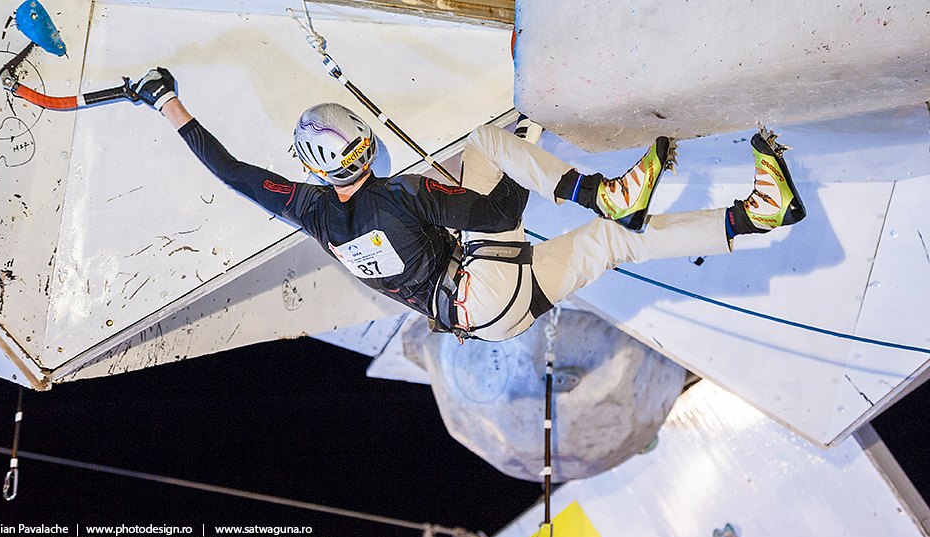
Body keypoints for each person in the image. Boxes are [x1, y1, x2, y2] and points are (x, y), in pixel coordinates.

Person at [132, 68, 806, 342]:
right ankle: (606, 194)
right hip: (478, 286)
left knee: (614, 243)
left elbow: (234, 173)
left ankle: (755, 215)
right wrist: (529, 133)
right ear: (366, 147)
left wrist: (167, 106)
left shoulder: (313, 214)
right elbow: (495, 216)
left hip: (490, 323)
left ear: (312, 167)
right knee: (485, 140)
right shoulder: (403, 194)